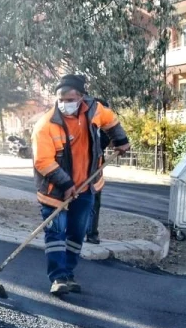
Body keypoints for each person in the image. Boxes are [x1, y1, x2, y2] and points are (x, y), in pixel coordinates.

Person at [32, 74, 130, 296]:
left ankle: (68, 273)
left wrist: (120, 140)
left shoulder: (94, 110)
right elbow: (43, 161)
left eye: (70, 99)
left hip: (86, 186)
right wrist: (66, 183)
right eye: (61, 99)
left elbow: (111, 120)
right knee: (56, 233)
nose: (65, 103)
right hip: (55, 191)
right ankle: (57, 278)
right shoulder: (45, 125)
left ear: (81, 97)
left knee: (76, 234)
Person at [86, 94, 113, 245]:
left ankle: (91, 233)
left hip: (95, 171)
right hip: (77, 169)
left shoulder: (103, 128)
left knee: (94, 202)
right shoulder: (82, 123)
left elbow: (103, 143)